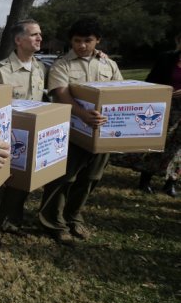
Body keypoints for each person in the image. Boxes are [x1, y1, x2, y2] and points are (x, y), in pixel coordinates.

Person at [39, 17, 122, 245]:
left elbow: (119, 92)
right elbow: (61, 93)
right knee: (64, 178)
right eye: (77, 40)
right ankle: (53, 222)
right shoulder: (62, 65)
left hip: (101, 133)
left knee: (90, 178)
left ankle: (73, 217)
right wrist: (82, 114)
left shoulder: (108, 65)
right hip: (72, 133)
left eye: (88, 40)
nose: (82, 45)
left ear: (98, 41)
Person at [0, 19, 47, 242]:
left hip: (30, 138)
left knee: (22, 182)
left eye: (40, 34)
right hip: (6, 138)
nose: (39, 38)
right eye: (34, 34)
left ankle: (9, 220)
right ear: (18, 40)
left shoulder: (40, 68)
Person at [131, 32, 181, 197]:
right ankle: (145, 180)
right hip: (165, 107)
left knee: (178, 150)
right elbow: (150, 80)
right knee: (158, 143)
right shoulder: (166, 59)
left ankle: (171, 182)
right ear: (177, 41)